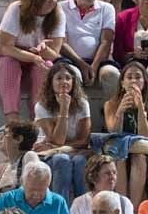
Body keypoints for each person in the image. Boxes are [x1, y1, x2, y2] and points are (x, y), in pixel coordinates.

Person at [0, 0, 65, 122]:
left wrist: (44, 52)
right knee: (9, 63)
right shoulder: (17, 8)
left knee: (45, 66)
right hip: (8, 60)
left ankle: (39, 120)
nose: (53, 1)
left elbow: (55, 54)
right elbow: (3, 46)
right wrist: (32, 56)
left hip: (36, 62)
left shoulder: (58, 14)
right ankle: (12, 121)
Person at [32, 61, 91, 203]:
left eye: (68, 78)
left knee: (80, 161)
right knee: (61, 160)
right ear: (51, 82)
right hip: (48, 154)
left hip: (72, 151)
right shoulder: (42, 105)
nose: (64, 82)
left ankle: (81, 209)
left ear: (73, 82)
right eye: (59, 78)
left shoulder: (82, 104)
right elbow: (57, 139)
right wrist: (64, 109)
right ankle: (60, 208)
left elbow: (84, 140)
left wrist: (59, 148)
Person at [0, 161, 68, 214]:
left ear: (48, 185)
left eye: (41, 190)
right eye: (32, 190)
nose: (36, 195)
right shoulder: (7, 199)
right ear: (22, 183)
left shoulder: (58, 202)